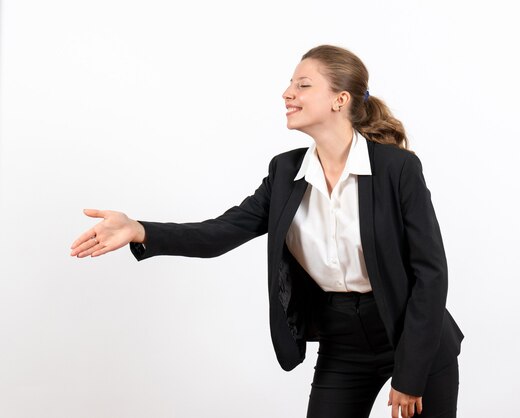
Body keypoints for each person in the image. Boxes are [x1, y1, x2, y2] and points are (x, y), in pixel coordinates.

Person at [70, 45, 464, 418]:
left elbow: (430, 273)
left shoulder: (397, 169)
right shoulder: (284, 173)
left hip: (414, 334)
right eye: (291, 84)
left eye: (302, 85)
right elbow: (221, 233)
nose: (287, 93)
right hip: (342, 341)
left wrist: (410, 374)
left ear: (339, 100)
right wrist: (139, 229)